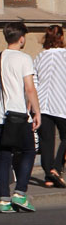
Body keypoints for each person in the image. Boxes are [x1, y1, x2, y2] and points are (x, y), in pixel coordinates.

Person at [0, 21, 41, 213]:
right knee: (28, 151)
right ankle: (19, 193)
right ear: (21, 38)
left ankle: (3, 199)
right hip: (17, 115)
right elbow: (29, 88)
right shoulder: (24, 59)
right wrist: (37, 112)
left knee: (4, 156)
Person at [35, 25, 66, 188]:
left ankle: (48, 177)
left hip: (42, 104)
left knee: (46, 141)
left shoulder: (40, 56)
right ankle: (56, 168)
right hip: (61, 103)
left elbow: (34, 80)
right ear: (61, 38)